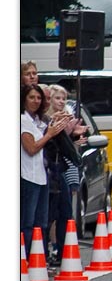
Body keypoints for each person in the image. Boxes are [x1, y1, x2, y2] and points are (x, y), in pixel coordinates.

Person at [21, 84, 68, 257]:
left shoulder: (38, 121)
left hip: (42, 176)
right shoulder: (23, 120)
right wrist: (49, 134)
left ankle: (39, 260)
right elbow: (31, 148)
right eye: (31, 97)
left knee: (41, 222)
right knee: (28, 222)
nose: (36, 101)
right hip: (28, 176)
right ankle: (25, 259)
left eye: (39, 98)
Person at [46, 84, 85, 266]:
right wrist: (68, 133)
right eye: (57, 98)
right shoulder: (48, 121)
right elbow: (53, 145)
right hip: (50, 170)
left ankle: (62, 251)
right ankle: (51, 250)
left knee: (65, 211)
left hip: (63, 169)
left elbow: (68, 149)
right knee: (51, 214)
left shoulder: (66, 118)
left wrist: (73, 136)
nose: (61, 102)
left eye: (63, 99)